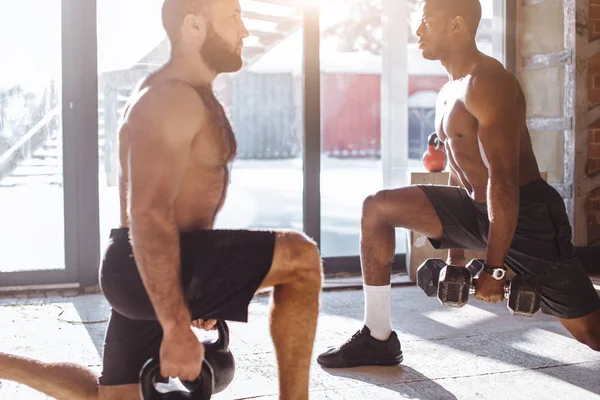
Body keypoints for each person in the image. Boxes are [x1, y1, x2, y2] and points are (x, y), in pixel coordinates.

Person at [0, 0, 323, 399]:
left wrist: (202, 290)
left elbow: (183, 209)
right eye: (233, 18)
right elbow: (149, 215)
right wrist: (174, 326)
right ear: (194, 26)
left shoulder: (190, 95)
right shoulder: (170, 100)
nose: (244, 31)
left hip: (149, 262)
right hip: (148, 263)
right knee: (301, 258)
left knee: (114, 397)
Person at [317, 0, 600, 369]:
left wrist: (494, 269)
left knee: (591, 333)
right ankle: (377, 336)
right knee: (377, 208)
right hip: (477, 208)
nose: (418, 32)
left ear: (456, 25)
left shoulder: (488, 83)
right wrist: (456, 258)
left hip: (526, 216)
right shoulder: (448, 91)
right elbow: (458, 174)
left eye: (426, 23)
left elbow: (503, 181)